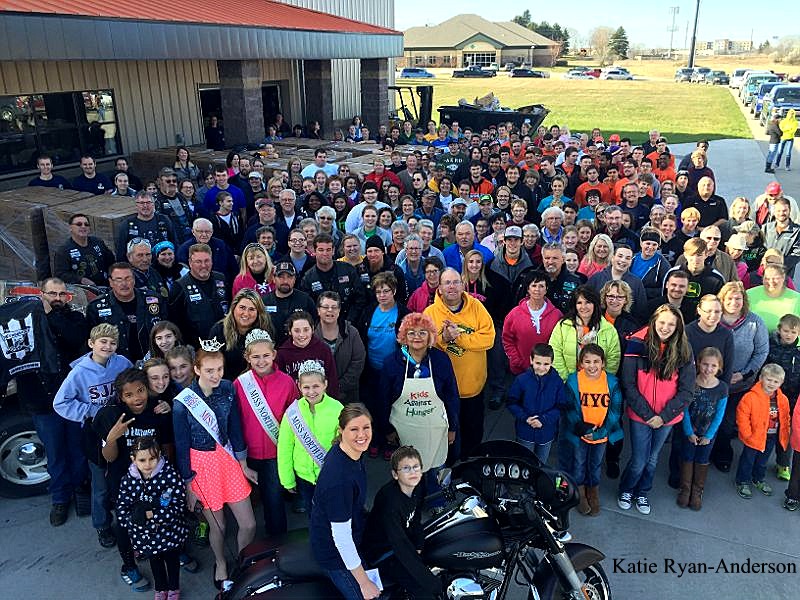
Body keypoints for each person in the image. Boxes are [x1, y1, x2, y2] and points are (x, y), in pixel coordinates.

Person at [172, 347, 257, 590]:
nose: (216, 375)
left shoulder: (228, 388)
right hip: (202, 465)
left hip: (227, 459)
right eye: (209, 370)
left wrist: (242, 462)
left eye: (219, 369)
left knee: (248, 524)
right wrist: (189, 483)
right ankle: (220, 562)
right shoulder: (182, 403)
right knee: (218, 526)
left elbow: (235, 426)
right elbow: (181, 445)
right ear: (196, 369)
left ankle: (242, 560)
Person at [13, 278, 90, 527]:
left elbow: (74, 337)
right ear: (41, 294)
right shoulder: (24, 321)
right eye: (51, 293)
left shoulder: (75, 319)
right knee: (55, 452)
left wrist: (52, 315)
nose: (57, 298)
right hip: (42, 401)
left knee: (77, 449)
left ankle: (81, 490)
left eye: (61, 294)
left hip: (72, 400)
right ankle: (59, 498)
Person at [93, 368, 178, 591]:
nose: (136, 397)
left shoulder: (157, 410)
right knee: (125, 524)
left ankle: (166, 550)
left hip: (155, 480)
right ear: (121, 397)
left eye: (140, 391)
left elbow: (168, 446)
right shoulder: (111, 415)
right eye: (129, 395)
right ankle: (129, 566)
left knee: (158, 515)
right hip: (123, 482)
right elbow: (107, 458)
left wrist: (166, 476)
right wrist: (112, 437)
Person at [52, 324, 133, 549]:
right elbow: (60, 403)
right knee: (101, 485)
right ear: (91, 343)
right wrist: (90, 412)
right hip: (95, 435)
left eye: (112, 342)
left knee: (125, 479)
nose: (108, 346)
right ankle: (102, 525)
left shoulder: (122, 363)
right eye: (103, 342)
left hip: (122, 429)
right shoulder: (79, 372)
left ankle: (128, 522)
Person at [617, 305, 695, 516]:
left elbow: (687, 390)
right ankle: (627, 489)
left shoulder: (684, 349)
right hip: (641, 415)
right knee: (639, 459)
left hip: (666, 418)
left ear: (678, 326)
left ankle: (642, 491)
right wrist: (649, 415)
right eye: (662, 322)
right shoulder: (636, 343)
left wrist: (663, 416)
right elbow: (628, 383)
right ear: (653, 321)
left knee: (652, 459)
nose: (666, 327)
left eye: (671, 324)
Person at [424, 268, 495, 459]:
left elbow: (489, 339)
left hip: (473, 387)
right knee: (445, 437)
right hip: (443, 390)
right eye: (447, 283)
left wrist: (459, 338)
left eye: (455, 282)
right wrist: (444, 339)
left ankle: (470, 467)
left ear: (463, 284)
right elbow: (423, 346)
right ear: (439, 287)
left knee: (472, 434)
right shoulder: (430, 313)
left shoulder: (477, 307)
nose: (452, 287)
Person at [232, 329, 297, 536]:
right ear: (247, 357)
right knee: (245, 501)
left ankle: (278, 544)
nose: (261, 361)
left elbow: (294, 418)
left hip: (274, 453)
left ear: (274, 354)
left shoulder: (287, 382)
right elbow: (234, 421)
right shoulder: (240, 384)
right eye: (255, 357)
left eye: (266, 355)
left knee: (274, 500)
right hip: (246, 452)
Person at [310, 404, 377, 600]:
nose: (362, 435)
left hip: (351, 532)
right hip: (334, 554)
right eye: (354, 429)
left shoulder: (349, 453)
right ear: (341, 431)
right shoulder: (339, 481)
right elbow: (342, 539)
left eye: (366, 427)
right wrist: (364, 583)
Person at [382, 313, 459, 482]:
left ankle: (436, 504)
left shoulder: (441, 360)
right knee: (408, 474)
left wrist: (453, 428)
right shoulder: (391, 363)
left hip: (436, 432)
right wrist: (387, 430)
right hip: (404, 433)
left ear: (430, 336)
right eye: (411, 332)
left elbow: (452, 396)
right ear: (403, 336)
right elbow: (383, 399)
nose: (417, 337)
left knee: (436, 475)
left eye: (422, 332)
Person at [361, 446, 442, 600]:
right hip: (383, 552)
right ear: (395, 474)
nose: (413, 472)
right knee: (424, 592)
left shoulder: (418, 485)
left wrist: (418, 545)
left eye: (416, 467)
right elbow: (400, 545)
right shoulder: (390, 502)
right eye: (406, 468)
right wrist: (430, 582)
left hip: (401, 539)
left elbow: (416, 515)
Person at [708, 283, 769, 472]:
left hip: (739, 384)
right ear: (722, 300)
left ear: (744, 300)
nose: (734, 302)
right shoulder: (713, 320)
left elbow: (761, 352)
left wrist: (744, 374)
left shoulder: (755, 322)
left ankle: (723, 454)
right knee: (709, 420)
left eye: (738, 298)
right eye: (730, 298)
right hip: (712, 382)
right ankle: (704, 452)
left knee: (727, 423)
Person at [116, 437, 187, 600]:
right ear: (133, 459)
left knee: (172, 561)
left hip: (170, 533)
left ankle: (174, 588)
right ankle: (161, 589)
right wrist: (133, 520)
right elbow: (121, 508)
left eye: (152, 458)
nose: (148, 464)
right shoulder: (128, 480)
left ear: (159, 455)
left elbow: (177, 505)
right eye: (142, 460)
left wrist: (149, 515)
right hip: (145, 536)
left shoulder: (169, 475)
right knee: (155, 562)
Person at [563, 344, 623, 516]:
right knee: (579, 463)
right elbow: (569, 408)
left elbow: (615, 411)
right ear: (581, 363)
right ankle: (580, 494)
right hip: (580, 434)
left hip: (601, 435)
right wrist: (582, 428)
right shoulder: (574, 380)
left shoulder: (612, 382)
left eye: (596, 361)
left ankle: (593, 492)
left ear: (603, 363)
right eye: (587, 361)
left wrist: (600, 432)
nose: (592, 365)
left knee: (595, 464)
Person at [278, 359, 344, 513]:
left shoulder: (337, 409)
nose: (311, 391)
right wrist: (287, 479)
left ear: (325, 384)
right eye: (306, 387)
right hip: (304, 477)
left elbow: (345, 444)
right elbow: (285, 447)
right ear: (299, 386)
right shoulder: (293, 412)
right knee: (313, 516)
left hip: (330, 475)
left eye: (316, 386)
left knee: (333, 513)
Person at [677, 348, 727, 511]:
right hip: (690, 430)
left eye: (713, 366)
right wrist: (689, 432)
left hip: (708, 433)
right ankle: (685, 489)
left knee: (702, 459)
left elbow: (719, 415)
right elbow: (684, 409)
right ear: (698, 363)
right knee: (687, 457)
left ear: (719, 367)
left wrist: (709, 435)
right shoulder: (691, 382)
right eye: (705, 364)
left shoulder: (722, 388)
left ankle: (697, 492)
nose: (708, 369)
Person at [86, 262, 166, 362]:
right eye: (119, 279)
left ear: (134, 280)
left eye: (128, 278)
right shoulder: (96, 307)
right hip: (116, 366)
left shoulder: (154, 299)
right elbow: (91, 343)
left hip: (153, 363)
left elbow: (168, 329)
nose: (124, 284)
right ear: (111, 282)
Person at [735, 364, 791, 499]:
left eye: (775, 381)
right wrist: (747, 434)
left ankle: (758, 479)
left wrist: (786, 431)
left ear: (781, 382)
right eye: (769, 379)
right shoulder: (750, 397)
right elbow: (742, 416)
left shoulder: (783, 399)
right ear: (761, 378)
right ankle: (742, 481)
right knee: (748, 460)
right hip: (753, 436)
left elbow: (785, 417)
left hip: (771, 436)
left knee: (763, 460)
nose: (771, 384)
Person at [506, 343, 564, 464]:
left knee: (541, 464)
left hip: (546, 432)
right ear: (531, 360)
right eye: (538, 363)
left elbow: (561, 406)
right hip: (525, 431)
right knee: (524, 462)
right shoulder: (521, 380)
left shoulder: (557, 382)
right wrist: (525, 417)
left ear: (552, 363)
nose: (541, 368)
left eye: (546, 364)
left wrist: (543, 420)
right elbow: (511, 402)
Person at [548, 285, 621, 382]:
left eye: (588, 302)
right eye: (579, 303)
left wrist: (600, 381)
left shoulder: (608, 329)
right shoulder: (563, 326)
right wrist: (568, 380)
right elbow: (555, 353)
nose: (583, 307)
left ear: (595, 304)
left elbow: (613, 360)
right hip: (568, 384)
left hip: (598, 386)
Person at [502, 271, 563, 376]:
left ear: (546, 289)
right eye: (534, 285)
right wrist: (516, 360)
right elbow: (507, 340)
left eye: (541, 286)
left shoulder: (557, 315)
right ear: (528, 289)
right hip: (520, 370)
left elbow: (561, 343)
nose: (537, 289)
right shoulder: (515, 313)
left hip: (548, 370)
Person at [169, 244, 230, 347]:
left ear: (212, 261)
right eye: (198, 262)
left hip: (223, 342)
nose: (203, 265)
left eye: (207, 261)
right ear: (190, 263)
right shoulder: (180, 286)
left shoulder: (221, 279)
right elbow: (174, 322)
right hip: (197, 348)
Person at [315, 291, 366, 405]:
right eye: (325, 307)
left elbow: (358, 361)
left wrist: (338, 386)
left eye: (334, 307)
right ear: (318, 310)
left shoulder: (352, 332)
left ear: (339, 311)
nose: (330, 311)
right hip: (318, 396)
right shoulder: (311, 335)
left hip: (348, 396)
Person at [53, 213, 115, 286]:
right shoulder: (64, 250)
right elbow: (60, 275)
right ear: (70, 228)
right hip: (82, 290)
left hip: (105, 286)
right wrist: (81, 280)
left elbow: (111, 261)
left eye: (86, 224)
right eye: (79, 224)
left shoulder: (98, 242)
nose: (83, 226)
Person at [114, 191, 178, 261]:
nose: (145, 206)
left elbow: (175, 243)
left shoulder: (164, 220)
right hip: (138, 266)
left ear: (153, 205)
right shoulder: (127, 224)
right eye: (141, 203)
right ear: (136, 205)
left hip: (162, 263)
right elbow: (121, 252)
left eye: (148, 202)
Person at [747, 263, 800, 333]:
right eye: (767, 278)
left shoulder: (797, 298)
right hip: (754, 341)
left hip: (787, 342)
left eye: (776, 278)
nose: (771, 282)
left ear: (783, 278)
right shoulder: (749, 294)